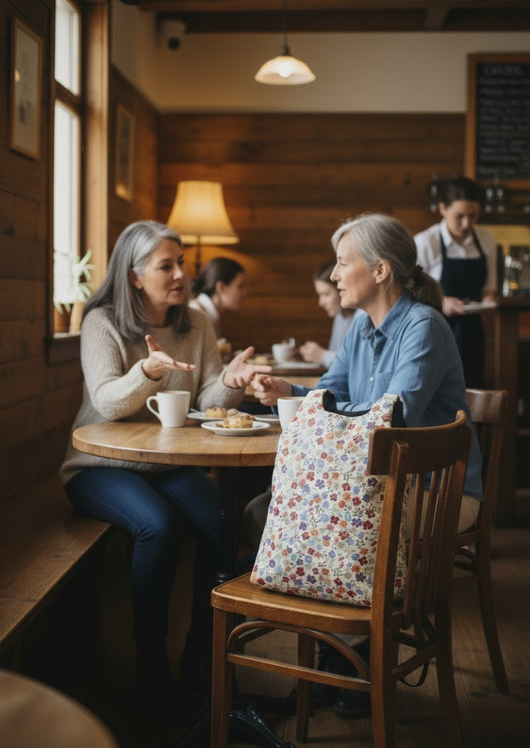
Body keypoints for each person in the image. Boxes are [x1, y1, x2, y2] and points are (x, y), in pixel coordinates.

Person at [248, 212, 483, 719]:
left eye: (341, 263)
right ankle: (338, 664)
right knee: (262, 511)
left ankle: (353, 670)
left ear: (380, 271)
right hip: (373, 484)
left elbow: (396, 415)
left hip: (438, 491)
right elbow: (335, 395)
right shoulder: (360, 326)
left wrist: (321, 407)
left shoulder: (425, 327)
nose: (334, 276)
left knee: (334, 524)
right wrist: (289, 392)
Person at [59, 221, 270, 722]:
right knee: (158, 526)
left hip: (166, 463)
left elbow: (207, 399)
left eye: (182, 264)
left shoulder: (195, 322)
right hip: (98, 464)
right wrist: (146, 372)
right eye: (166, 265)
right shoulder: (102, 321)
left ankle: (203, 661)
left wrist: (232, 383)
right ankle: (149, 664)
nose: (181, 274)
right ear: (134, 276)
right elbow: (107, 401)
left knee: (223, 522)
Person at [414, 176, 497, 387]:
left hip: (473, 333)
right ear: (442, 209)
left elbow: (489, 288)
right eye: (460, 216)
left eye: (473, 216)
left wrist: (488, 301)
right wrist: (442, 302)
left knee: (471, 388)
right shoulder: (425, 242)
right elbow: (409, 294)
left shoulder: (486, 240)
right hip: (434, 332)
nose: (467, 223)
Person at [189, 256, 246, 362]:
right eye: (240, 286)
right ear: (221, 287)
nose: (244, 293)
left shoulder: (211, 314)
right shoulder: (195, 312)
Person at [299, 260, 354, 368]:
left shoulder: (362, 317)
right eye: (320, 295)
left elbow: (357, 363)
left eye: (326, 294)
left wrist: (322, 356)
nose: (321, 303)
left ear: (341, 290)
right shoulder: (339, 318)